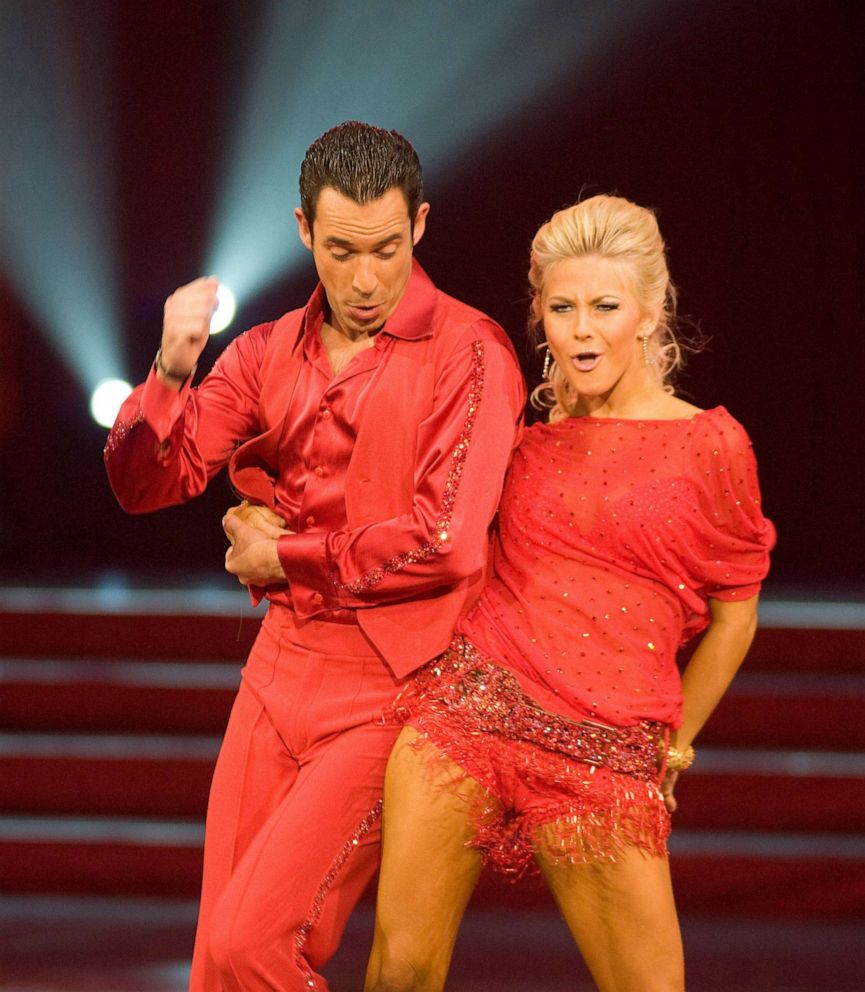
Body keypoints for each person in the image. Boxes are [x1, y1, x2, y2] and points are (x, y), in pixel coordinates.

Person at [104, 121, 524, 992]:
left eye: (383, 249)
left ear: (418, 225)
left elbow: (444, 544)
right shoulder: (264, 352)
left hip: (393, 686)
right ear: (303, 231)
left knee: (251, 946)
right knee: (215, 962)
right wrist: (173, 371)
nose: (364, 279)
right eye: (340, 251)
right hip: (277, 673)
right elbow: (149, 484)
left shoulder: (469, 352)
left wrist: (283, 556)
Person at [364, 194, 775, 992]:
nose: (581, 329)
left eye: (604, 307)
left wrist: (674, 744)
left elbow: (736, 616)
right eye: (561, 307)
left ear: (650, 313)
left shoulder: (710, 443)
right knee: (401, 971)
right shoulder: (522, 434)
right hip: (470, 715)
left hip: (602, 752)